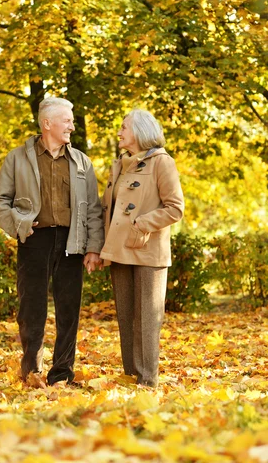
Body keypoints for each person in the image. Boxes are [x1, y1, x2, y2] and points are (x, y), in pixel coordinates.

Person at [0, 97, 104, 387]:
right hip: (34, 238)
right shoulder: (18, 158)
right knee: (31, 309)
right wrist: (19, 225)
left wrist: (93, 247)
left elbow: (92, 208)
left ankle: (62, 373)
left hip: (72, 240)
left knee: (69, 308)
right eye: (67, 120)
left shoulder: (81, 162)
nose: (72, 126)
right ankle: (32, 372)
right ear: (47, 123)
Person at [100, 109, 184, 388]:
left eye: (124, 127)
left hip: (148, 251)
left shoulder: (162, 163)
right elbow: (107, 209)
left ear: (140, 132)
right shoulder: (120, 164)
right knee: (126, 316)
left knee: (147, 319)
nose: (120, 132)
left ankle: (148, 381)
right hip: (120, 250)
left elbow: (175, 208)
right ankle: (131, 375)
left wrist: (141, 223)